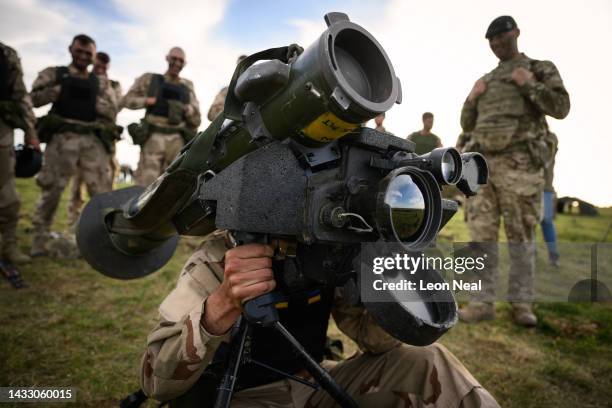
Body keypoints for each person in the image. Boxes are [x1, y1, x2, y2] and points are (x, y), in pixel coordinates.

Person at [139, 231, 500, 407]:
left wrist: (386, 279)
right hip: (240, 397)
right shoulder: (219, 255)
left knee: (428, 361)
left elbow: (377, 342)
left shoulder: (328, 248)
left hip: (314, 383)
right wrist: (222, 304)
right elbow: (155, 382)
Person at [458, 16, 570, 326]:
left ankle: (522, 305)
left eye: (501, 37)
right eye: (491, 41)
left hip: (520, 167)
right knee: (481, 236)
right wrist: (472, 97)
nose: (496, 44)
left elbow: (561, 107)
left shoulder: (538, 68)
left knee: (521, 236)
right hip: (482, 168)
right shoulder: (487, 79)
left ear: (516, 33)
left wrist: (530, 85)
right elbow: (467, 124)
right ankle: (481, 303)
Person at [29, 34, 119, 257]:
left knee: (101, 193)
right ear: (70, 49)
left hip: (91, 141)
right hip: (62, 139)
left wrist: (94, 99)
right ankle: (39, 241)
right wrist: (60, 90)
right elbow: (32, 98)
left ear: (94, 56)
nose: (83, 56)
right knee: (52, 191)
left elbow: (112, 110)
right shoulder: (55, 74)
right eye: (79, 51)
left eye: (88, 53)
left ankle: (100, 243)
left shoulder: (100, 83)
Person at [123, 47, 201, 186]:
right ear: (167, 58)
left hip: (177, 142)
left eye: (181, 60)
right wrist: (147, 101)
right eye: (174, 59)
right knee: (145, 187)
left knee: (173, 188)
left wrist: (187, 110)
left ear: (185, 63)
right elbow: (127, 100)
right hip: (153, 139)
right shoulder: (150, 79)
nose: (177, 63)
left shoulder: (187, 86)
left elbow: (196, 119)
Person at [67, 51, 123, 226]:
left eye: (104, 67)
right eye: (97, 66)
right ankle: (73, 223)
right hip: (81, 139)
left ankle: (104, 223)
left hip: (104, 143)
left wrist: (103, 85)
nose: (100, 69)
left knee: (106, 183)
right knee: (77, 184)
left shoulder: (113, 85)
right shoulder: (83, 81)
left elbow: (116, 107)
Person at [0, 42, 39, 264]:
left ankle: (9, 246)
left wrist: (30, 131)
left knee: (6, 194)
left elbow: (20, 94)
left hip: (2, 132)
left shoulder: (6, 55)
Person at [540, 130, 560, 267]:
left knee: (547, 222)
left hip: (545, 189)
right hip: (527, 188)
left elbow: (550, 148)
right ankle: (529, 256)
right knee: (527, 223)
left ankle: (553, 256)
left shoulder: (550, 138)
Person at [207, 55, 247, 122]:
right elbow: (211, 114)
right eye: (239, 66)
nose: (242, 69)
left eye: (246, 66)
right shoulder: (225, 91)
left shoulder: (259, 86)